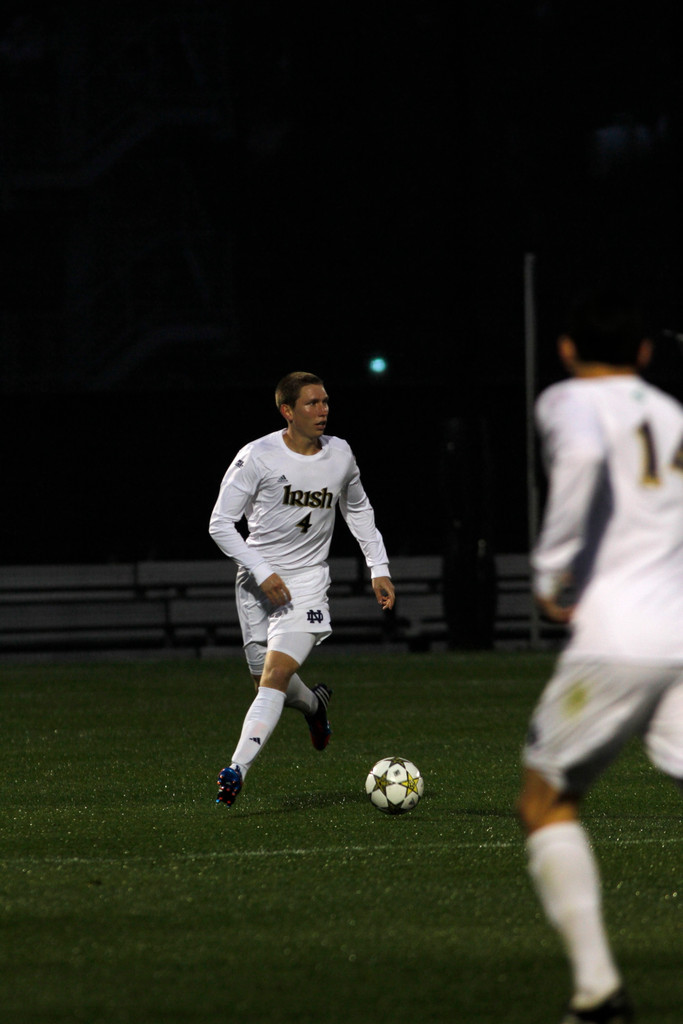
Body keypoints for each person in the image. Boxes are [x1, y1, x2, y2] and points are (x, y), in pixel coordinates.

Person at [517, 287, 683, 1024]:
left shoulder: (566, 401)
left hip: (617, 636)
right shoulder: (671, 413)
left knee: (544, 799)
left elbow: (581, 456)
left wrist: (552, 571)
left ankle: (596, 992)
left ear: (565, 348)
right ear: (643, 352)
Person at [209, 371, 395, 808]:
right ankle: (314, 706)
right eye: (311, 403)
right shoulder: (257, 456)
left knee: (274, 677)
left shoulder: (341, 455)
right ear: (287, 411)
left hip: (306, 585)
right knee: (265, 683)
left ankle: (236, 769)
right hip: (257, 585)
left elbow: (359, 508)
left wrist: (379, 567)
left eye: (326, 401)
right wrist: (260, 570)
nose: (323, 409)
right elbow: (220, 523)